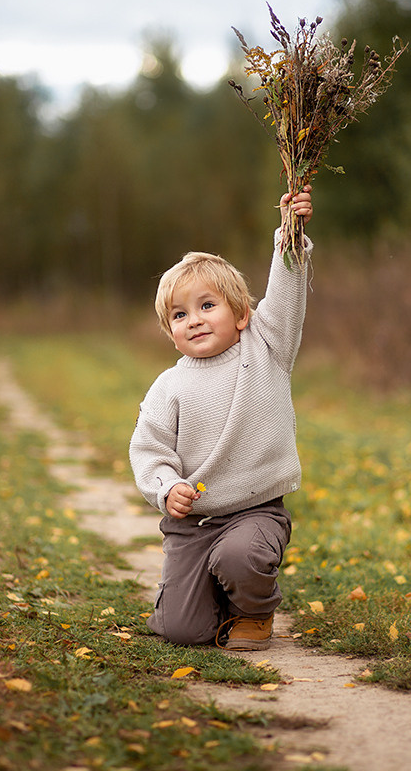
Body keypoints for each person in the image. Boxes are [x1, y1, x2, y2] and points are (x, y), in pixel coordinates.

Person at [129, 185, 314, 650]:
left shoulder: (267, 347)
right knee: (181, 632)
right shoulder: (168, 386)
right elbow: (149, 451)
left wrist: (289, 235)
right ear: (170, 332)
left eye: (207, 306)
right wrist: (167, 487)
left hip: (255, 513)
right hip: (193, 524)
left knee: (240, 556)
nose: (193, 319)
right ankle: (197, 595)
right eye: (178, 314)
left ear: (242, 314)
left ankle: (253, 611)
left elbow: (288, 291)